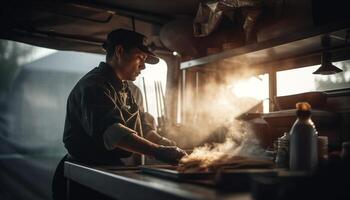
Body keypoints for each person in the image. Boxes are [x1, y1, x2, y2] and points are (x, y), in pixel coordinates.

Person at [52, 28, 187, 200]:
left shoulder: (124, 88)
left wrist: (164, 142)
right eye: (140, 57)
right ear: (120, 51)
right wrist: (158, 151)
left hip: (107, 173)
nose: (143, 66)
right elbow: (113, 133)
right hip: (84, 177)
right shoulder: (94, 86)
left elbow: (142, 128)